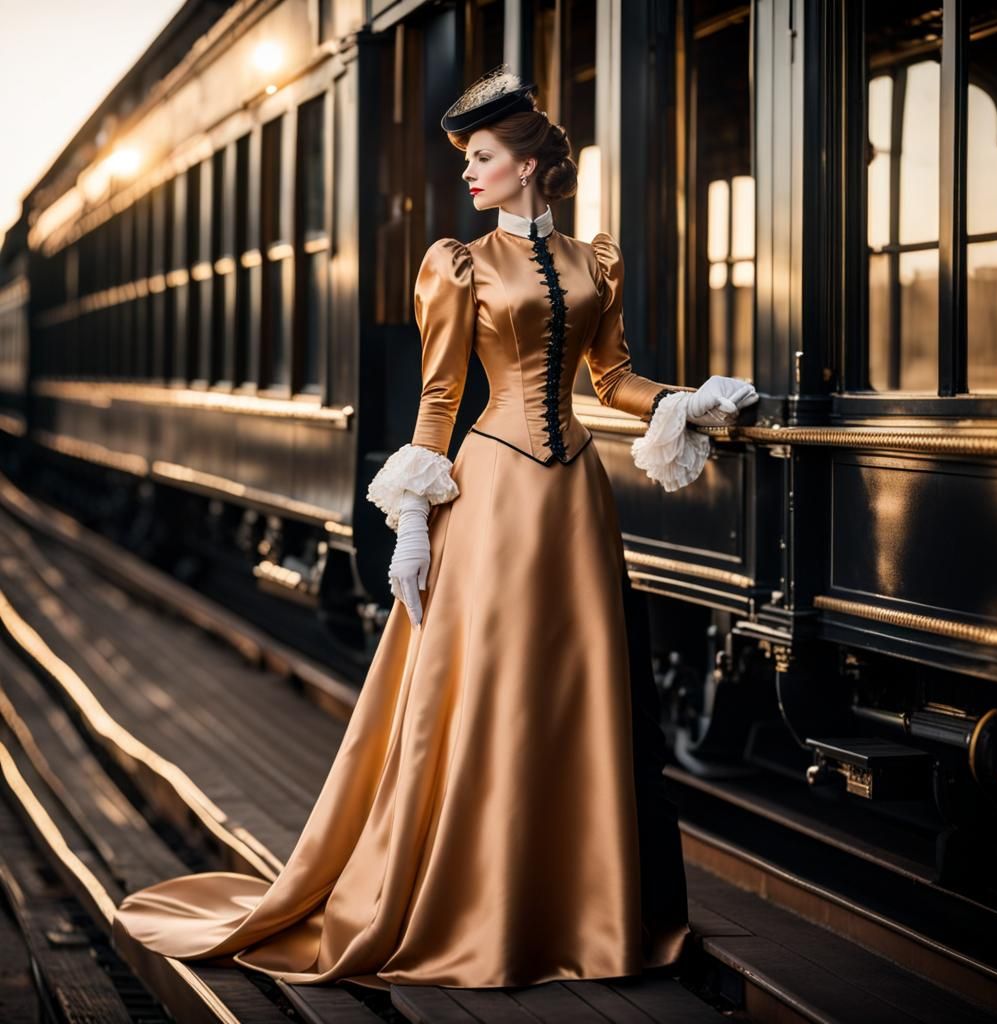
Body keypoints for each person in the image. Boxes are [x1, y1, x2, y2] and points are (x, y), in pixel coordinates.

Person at [110, 63, 758, 992]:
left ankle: (579, 908)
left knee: (575, 700)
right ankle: (482, 904)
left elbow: (612, 384)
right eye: (466, 159)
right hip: (490, 494)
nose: (469, 172)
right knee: (490, 692)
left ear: (528, 165)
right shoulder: (459, 263)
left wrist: (690, 400)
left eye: (483, 156)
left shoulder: (592, 263)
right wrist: (412, 520)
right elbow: (441, 398)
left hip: (575, 500)